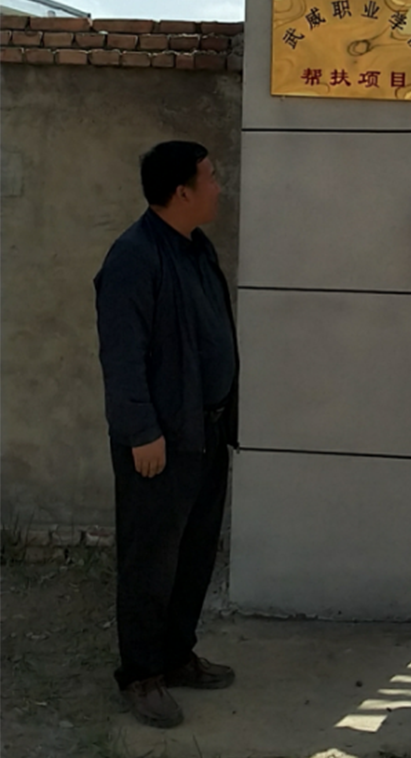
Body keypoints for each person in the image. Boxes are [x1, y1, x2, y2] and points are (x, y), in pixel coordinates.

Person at [95, 141, 238, 728]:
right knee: (150, 561)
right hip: (160, 441)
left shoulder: (196, 248)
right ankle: (142, 674)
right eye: (210, 177)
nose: (218, 186)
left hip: (204, 433)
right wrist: (141, 432)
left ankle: (177, 654)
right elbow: (122, 355)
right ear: (182, 192)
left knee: (194, 554)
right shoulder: (134, 257)